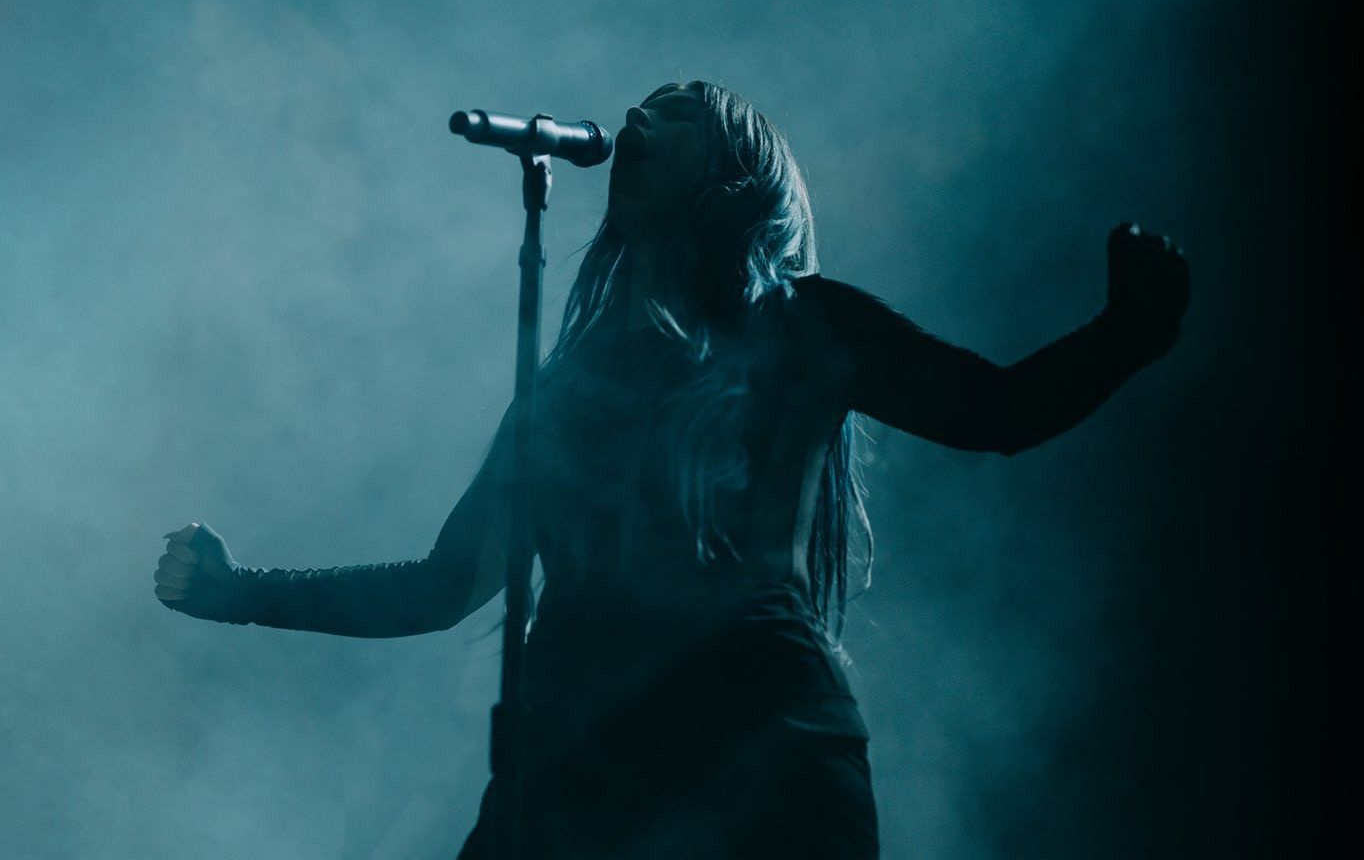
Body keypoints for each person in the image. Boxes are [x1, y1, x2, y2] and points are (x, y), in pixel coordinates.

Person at [154, 80, 1190, 858]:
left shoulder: (807, 325)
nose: (636, 123)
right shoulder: (562, 385)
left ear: (738, 166)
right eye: (637, 108)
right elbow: (442, 582)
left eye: (675, 111)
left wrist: (1125, 333)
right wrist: (242, 592)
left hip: (761, 745)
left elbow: (993, 409)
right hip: (577, 760)